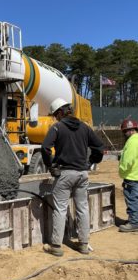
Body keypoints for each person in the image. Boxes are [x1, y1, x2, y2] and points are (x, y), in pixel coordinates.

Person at [41, 98, 104, 257]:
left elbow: (45, 148)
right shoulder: (85, 127)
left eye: (56, 115)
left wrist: (50, 166)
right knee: (82, 208)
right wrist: (91, 162)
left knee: (60, 209)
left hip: (65, 174)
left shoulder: (57, 128)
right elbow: (99, 147)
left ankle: (56, 246)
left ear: (61, 112)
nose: (55, 118)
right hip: (82, 174)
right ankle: (83, 244)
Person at [118, 119, 138, 232]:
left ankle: (134, 222)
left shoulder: (132, 141)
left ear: (128, 131)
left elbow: (128, 161)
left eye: (124, 132)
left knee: (132, 199)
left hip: (132, 176)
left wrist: (122, 168)